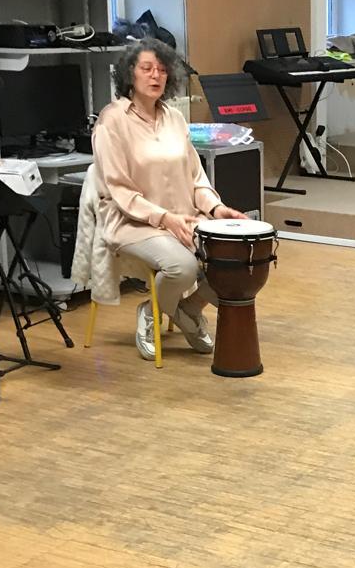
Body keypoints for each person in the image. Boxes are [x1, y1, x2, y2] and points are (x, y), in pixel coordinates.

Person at [91, 37, 245, 361]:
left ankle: (187, 309)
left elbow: (195, 177)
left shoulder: (175, 119)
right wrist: (164, 218)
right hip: (133, 223)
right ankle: (151, 312)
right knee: (183, 267)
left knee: (236, 259)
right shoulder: (111, 121)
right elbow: (119, 189)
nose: (155, 76)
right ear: (129, 74)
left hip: (184, 218)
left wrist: (216, 208)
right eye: (146, 68)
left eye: (161, 70)